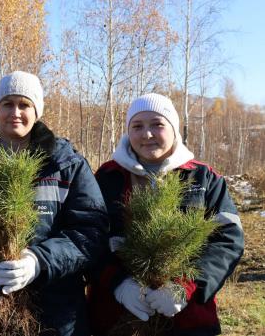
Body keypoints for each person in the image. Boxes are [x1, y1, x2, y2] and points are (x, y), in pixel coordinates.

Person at [0, 71, 109, 336]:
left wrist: (38, 261)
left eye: (25, 105)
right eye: (7, 103)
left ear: (37, 111)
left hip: (56, 318)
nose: (15, 112)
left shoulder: (66, 164)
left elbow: (91, 232)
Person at [87, 93, 244, 335]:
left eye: (157, 124)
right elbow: (88, 238)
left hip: (189, 320)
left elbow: (227, 240)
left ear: (174, 128)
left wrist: (187, 286)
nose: (147, 134)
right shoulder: (107, 177)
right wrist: (119, 284)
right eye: (137, 126)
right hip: (118, 319)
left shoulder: (203, 177)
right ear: (128, 131)